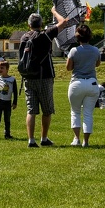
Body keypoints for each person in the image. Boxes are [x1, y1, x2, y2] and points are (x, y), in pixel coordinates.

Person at [20, 8, 76, 148]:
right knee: (47, 110)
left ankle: (31, 140)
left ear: (29, 25)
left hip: (28, 77)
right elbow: (64, 22)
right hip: (44, 77)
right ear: (41, 23)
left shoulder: (24, 37)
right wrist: (54, 11)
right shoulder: (46, 35)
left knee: (31, 110)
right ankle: (44, 138)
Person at [65, 24, 101, 148]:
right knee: (88, 114)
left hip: (77, 83)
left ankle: (76, 138)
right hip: (92, 83)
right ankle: (86, 141)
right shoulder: (96, 50)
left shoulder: (74, 50)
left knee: (75, 112)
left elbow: (69, 68)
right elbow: (97, 64)